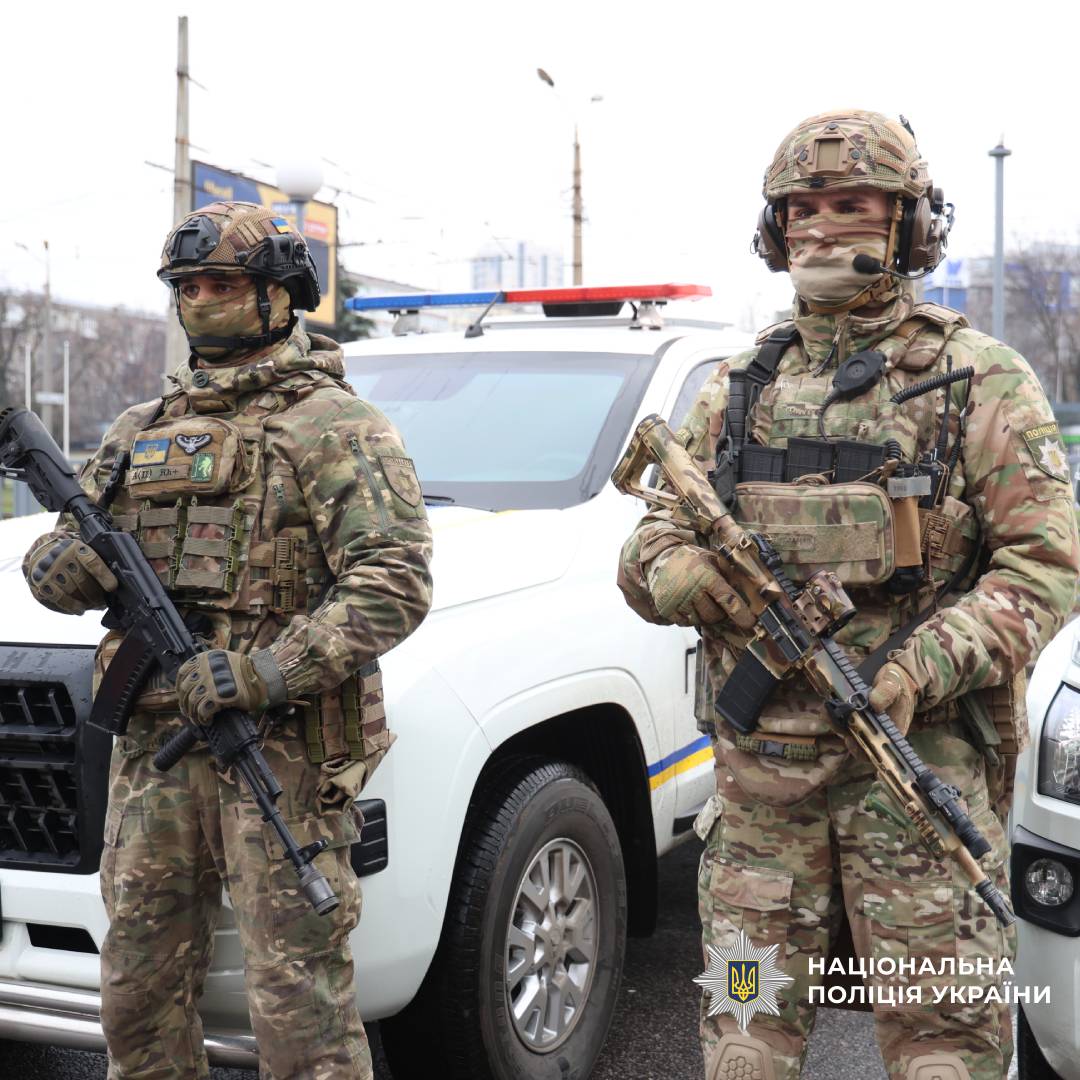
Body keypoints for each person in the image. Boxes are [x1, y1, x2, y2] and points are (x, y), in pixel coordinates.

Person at [617, 111, 1080, 1080]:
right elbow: (647, 547)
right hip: (757, 826)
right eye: (804, 210)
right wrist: (712, 585)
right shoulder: (740, 387)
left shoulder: (977, 383)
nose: (823, 230)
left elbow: (1046, 566)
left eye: (853, 206)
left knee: (944, 1058)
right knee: (743, 1045)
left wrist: (920, 662)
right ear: (774, 230)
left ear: (908, 225)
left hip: (915, 795)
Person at [23, 200, 433, 1079]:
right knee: (136, 996)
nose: (203, 300)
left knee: (300, 1013)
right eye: (190, 286)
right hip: (153, 760)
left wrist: (264, 671)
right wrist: (69, 566)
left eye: (225, 284)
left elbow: (394, 583)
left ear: (279, 295)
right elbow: (58, 559)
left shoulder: (332, 426)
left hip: (277, 757)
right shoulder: (140, 431)